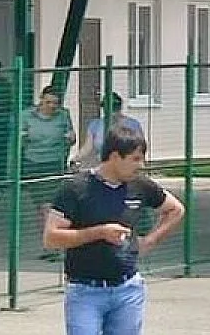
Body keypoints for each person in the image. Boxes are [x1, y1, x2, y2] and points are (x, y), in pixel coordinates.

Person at [43, 124, 186, 335]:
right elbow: (51, 238)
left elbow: (175, 210)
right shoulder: (75, 188)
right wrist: (99, 232)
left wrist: (150, 240)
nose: (141, 165)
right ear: (115, 156)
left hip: (128, 290)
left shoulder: (140, 186)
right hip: (85, 291)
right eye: (135, 159)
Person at [21, 85, 77, 259]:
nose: (52, 106)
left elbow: (71, 137)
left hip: (54, 163)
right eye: (48, 102)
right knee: (41, 207)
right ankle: (49, 244)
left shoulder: (63, 115)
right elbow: (19, 139)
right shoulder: (26, 116)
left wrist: (71, 138)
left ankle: (53, 245)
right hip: (33, 164)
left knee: (49, 206)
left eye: (55, 103)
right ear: (41, 100)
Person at [75, 93, 143, 170]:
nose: (113, 113)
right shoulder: (95, 124)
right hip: (104, 166)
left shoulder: (133, 124)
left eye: (115, 108)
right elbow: (87, 147)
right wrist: (75, 159)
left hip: (127, 166)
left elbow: (140, 147)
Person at [0, 58, 12, 181]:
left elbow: (9, 104)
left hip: (1, 124)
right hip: (2, 123)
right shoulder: (6, 84)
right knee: (1, 153)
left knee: (0, 153)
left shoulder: (4, 85)